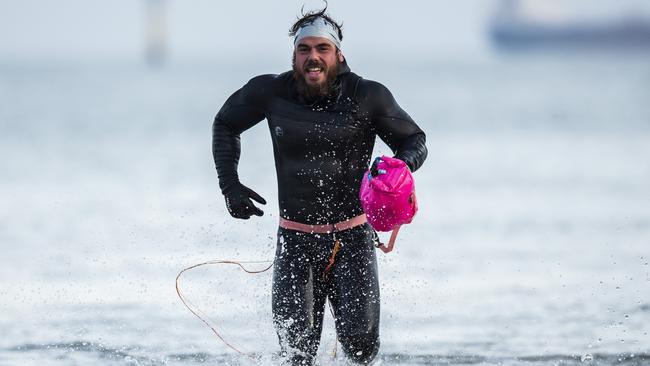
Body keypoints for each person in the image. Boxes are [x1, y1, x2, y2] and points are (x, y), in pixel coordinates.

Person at [212, 7, 427, 365]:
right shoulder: (271, 92)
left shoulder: (367, 96)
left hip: (353, 242)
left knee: (362, 353)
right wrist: (229, 185)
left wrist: (398, 169)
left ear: (338, 54)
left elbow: (415, 140)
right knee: (296, 356)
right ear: (294, 56)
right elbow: (225, 123)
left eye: (321, 49)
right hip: (294, 243)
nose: (313, 57)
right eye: (304, 49)